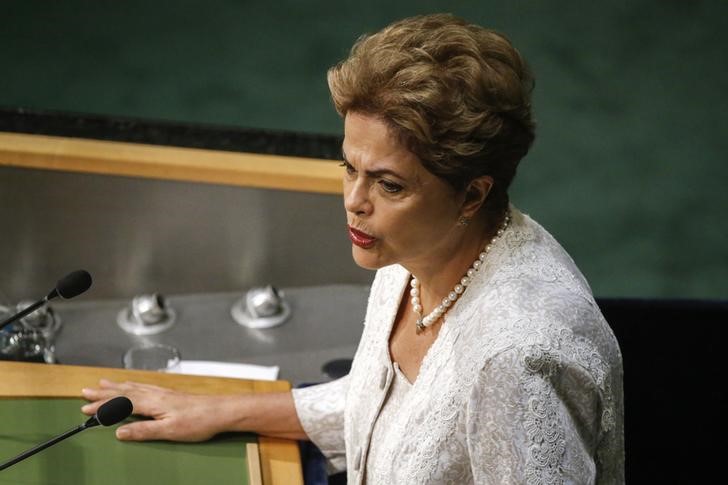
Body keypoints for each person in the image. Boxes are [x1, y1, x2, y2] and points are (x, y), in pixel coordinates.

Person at [82, 13, 624, 484]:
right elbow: (393, 414)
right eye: (349, 168)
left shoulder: (516, 360)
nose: (354, 202)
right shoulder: (410, 255)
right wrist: (219, 410)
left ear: (472, 194)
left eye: (389, 185)